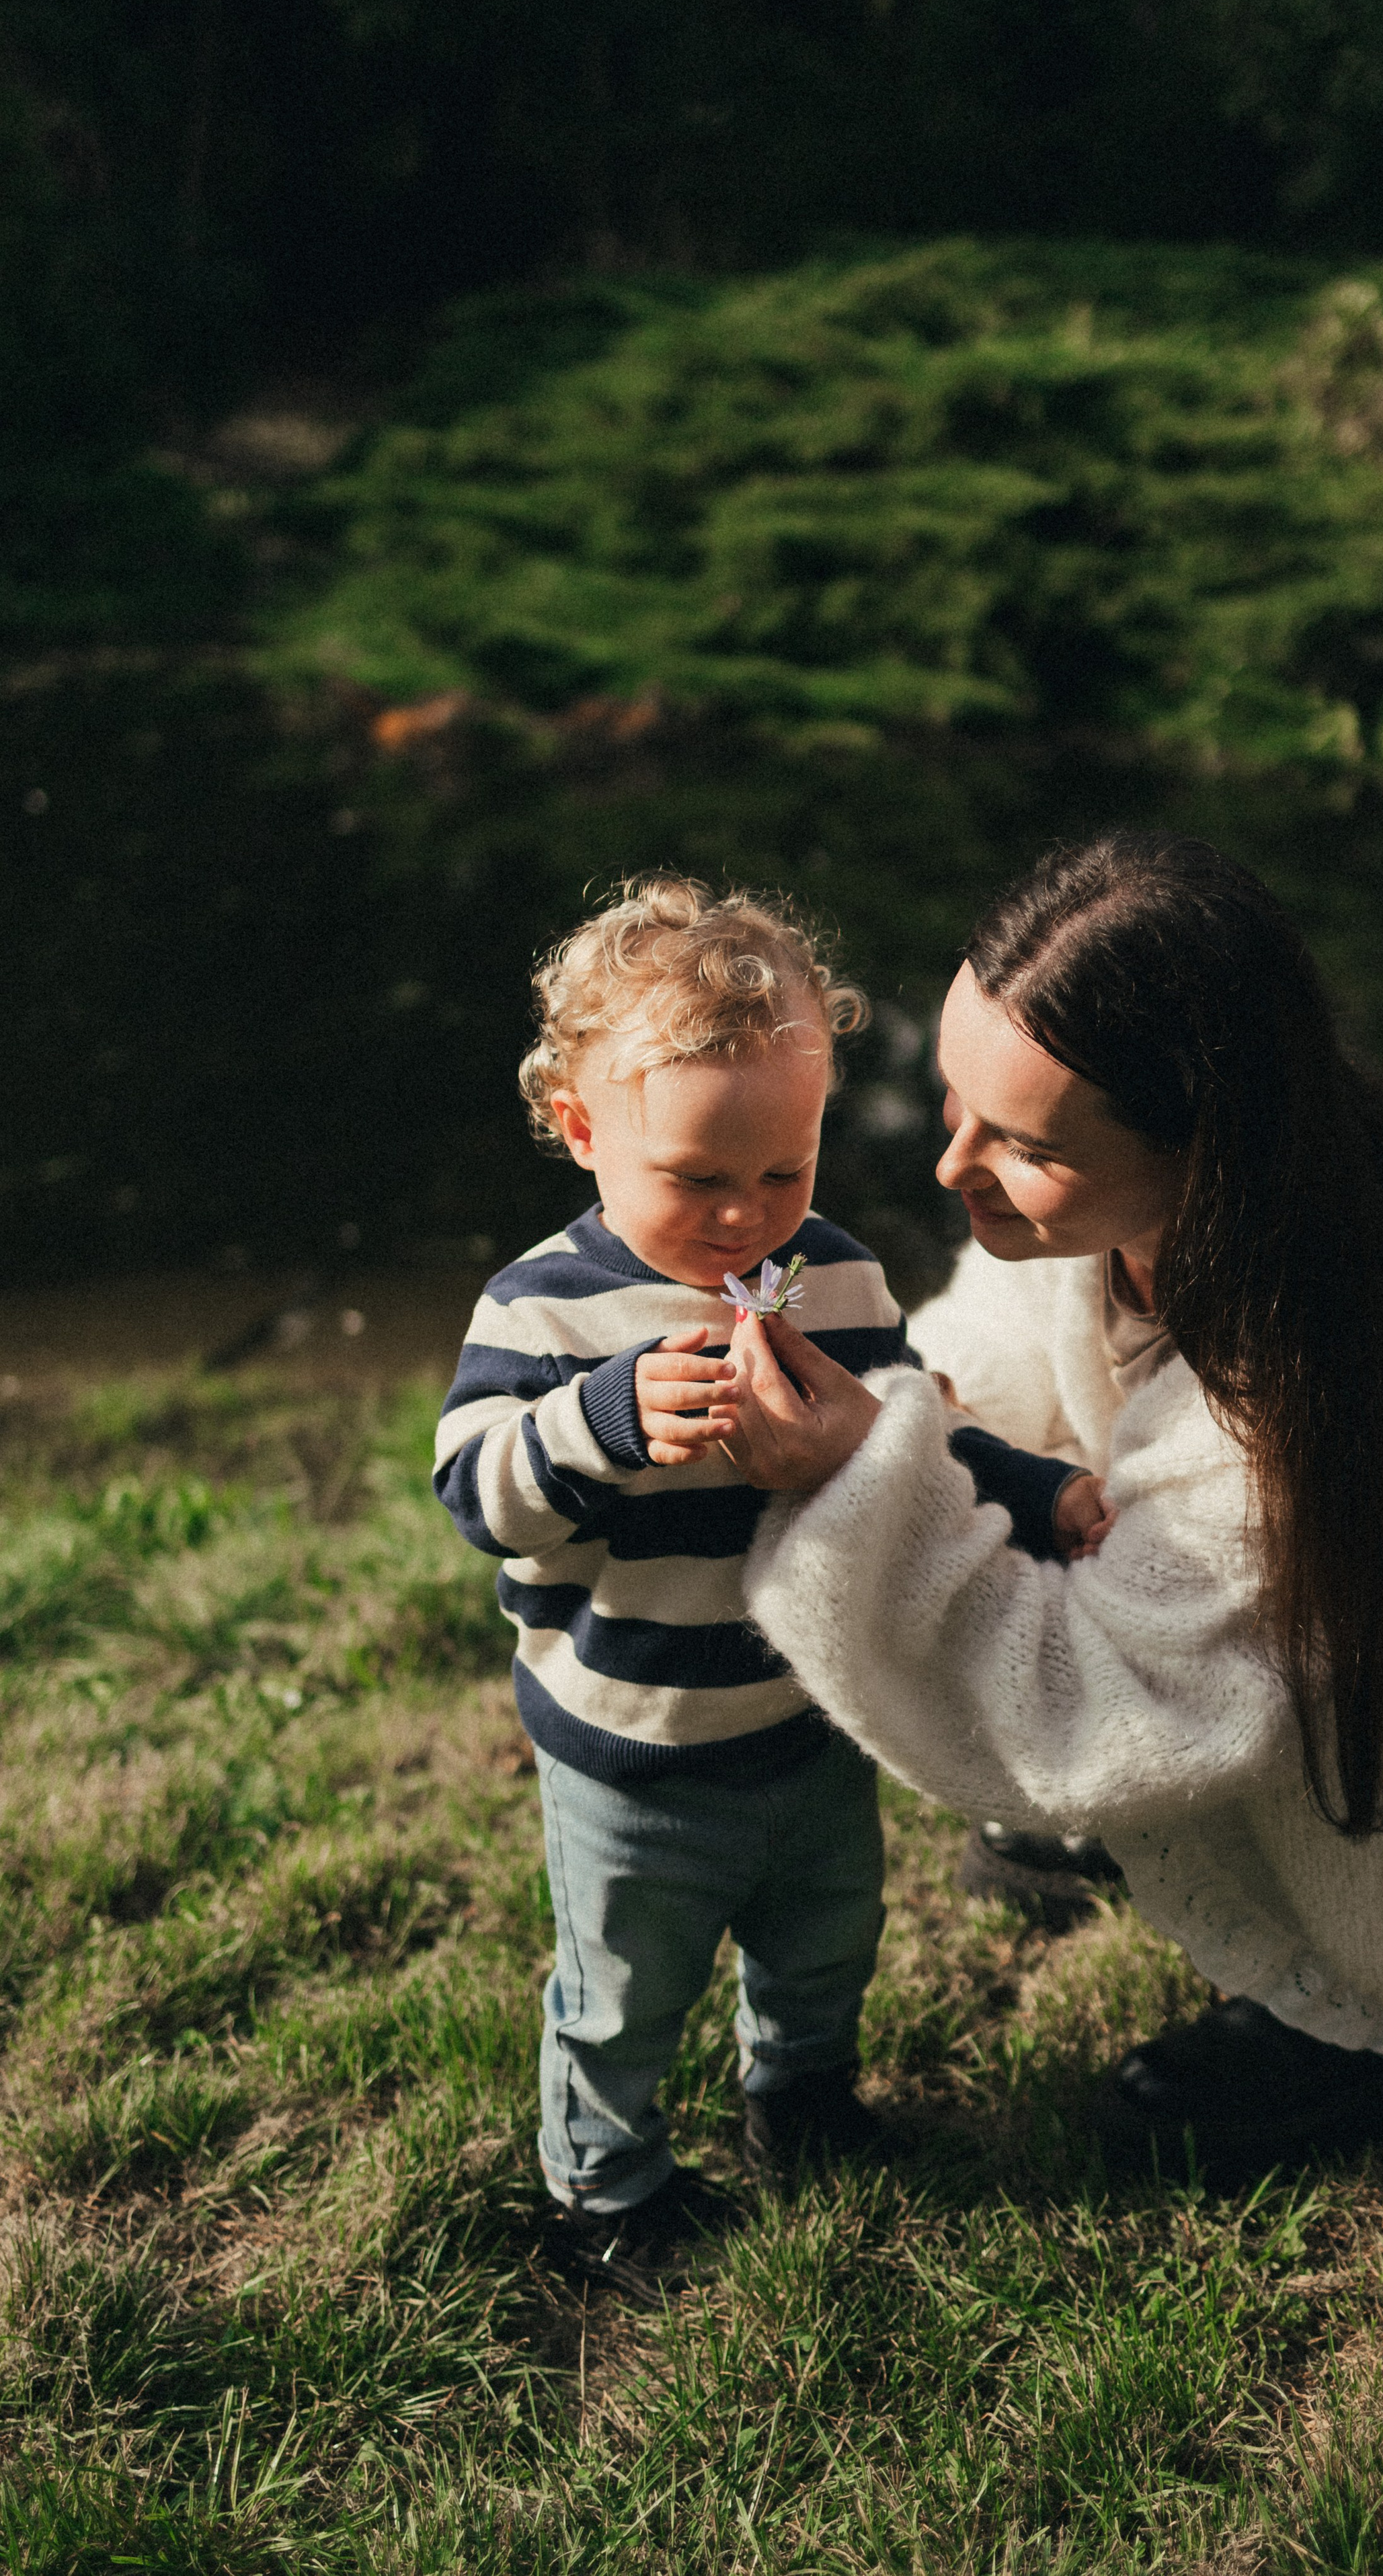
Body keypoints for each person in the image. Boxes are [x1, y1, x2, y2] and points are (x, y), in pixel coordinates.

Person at [709, 832, 1383, 2175]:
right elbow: (994, 1355)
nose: (950, 1171)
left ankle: (1374, 2023)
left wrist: (862, 1470)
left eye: (1018, 1145)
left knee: (1160, 1744)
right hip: (1329, 1656)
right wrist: (914, 1400)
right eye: (953, 1100)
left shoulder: (1330, 1377)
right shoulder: (1207, 1197)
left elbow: (1099, 1710)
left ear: (1204, 1146)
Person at [432, 877, 1109, 2294]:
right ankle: (604, 2188)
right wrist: (596, 1424)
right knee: (624, 1991)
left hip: (810, 1719)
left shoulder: (837, 1280)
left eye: (784, 1172)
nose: (747, 1220)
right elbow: (477, 1500)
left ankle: (799, 2097)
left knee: (823, 1941)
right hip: (633, 1750)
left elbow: (915, 1424)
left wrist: (1037, 1492)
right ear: (581, 1130)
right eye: (696, 1179)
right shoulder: (542, 1311)